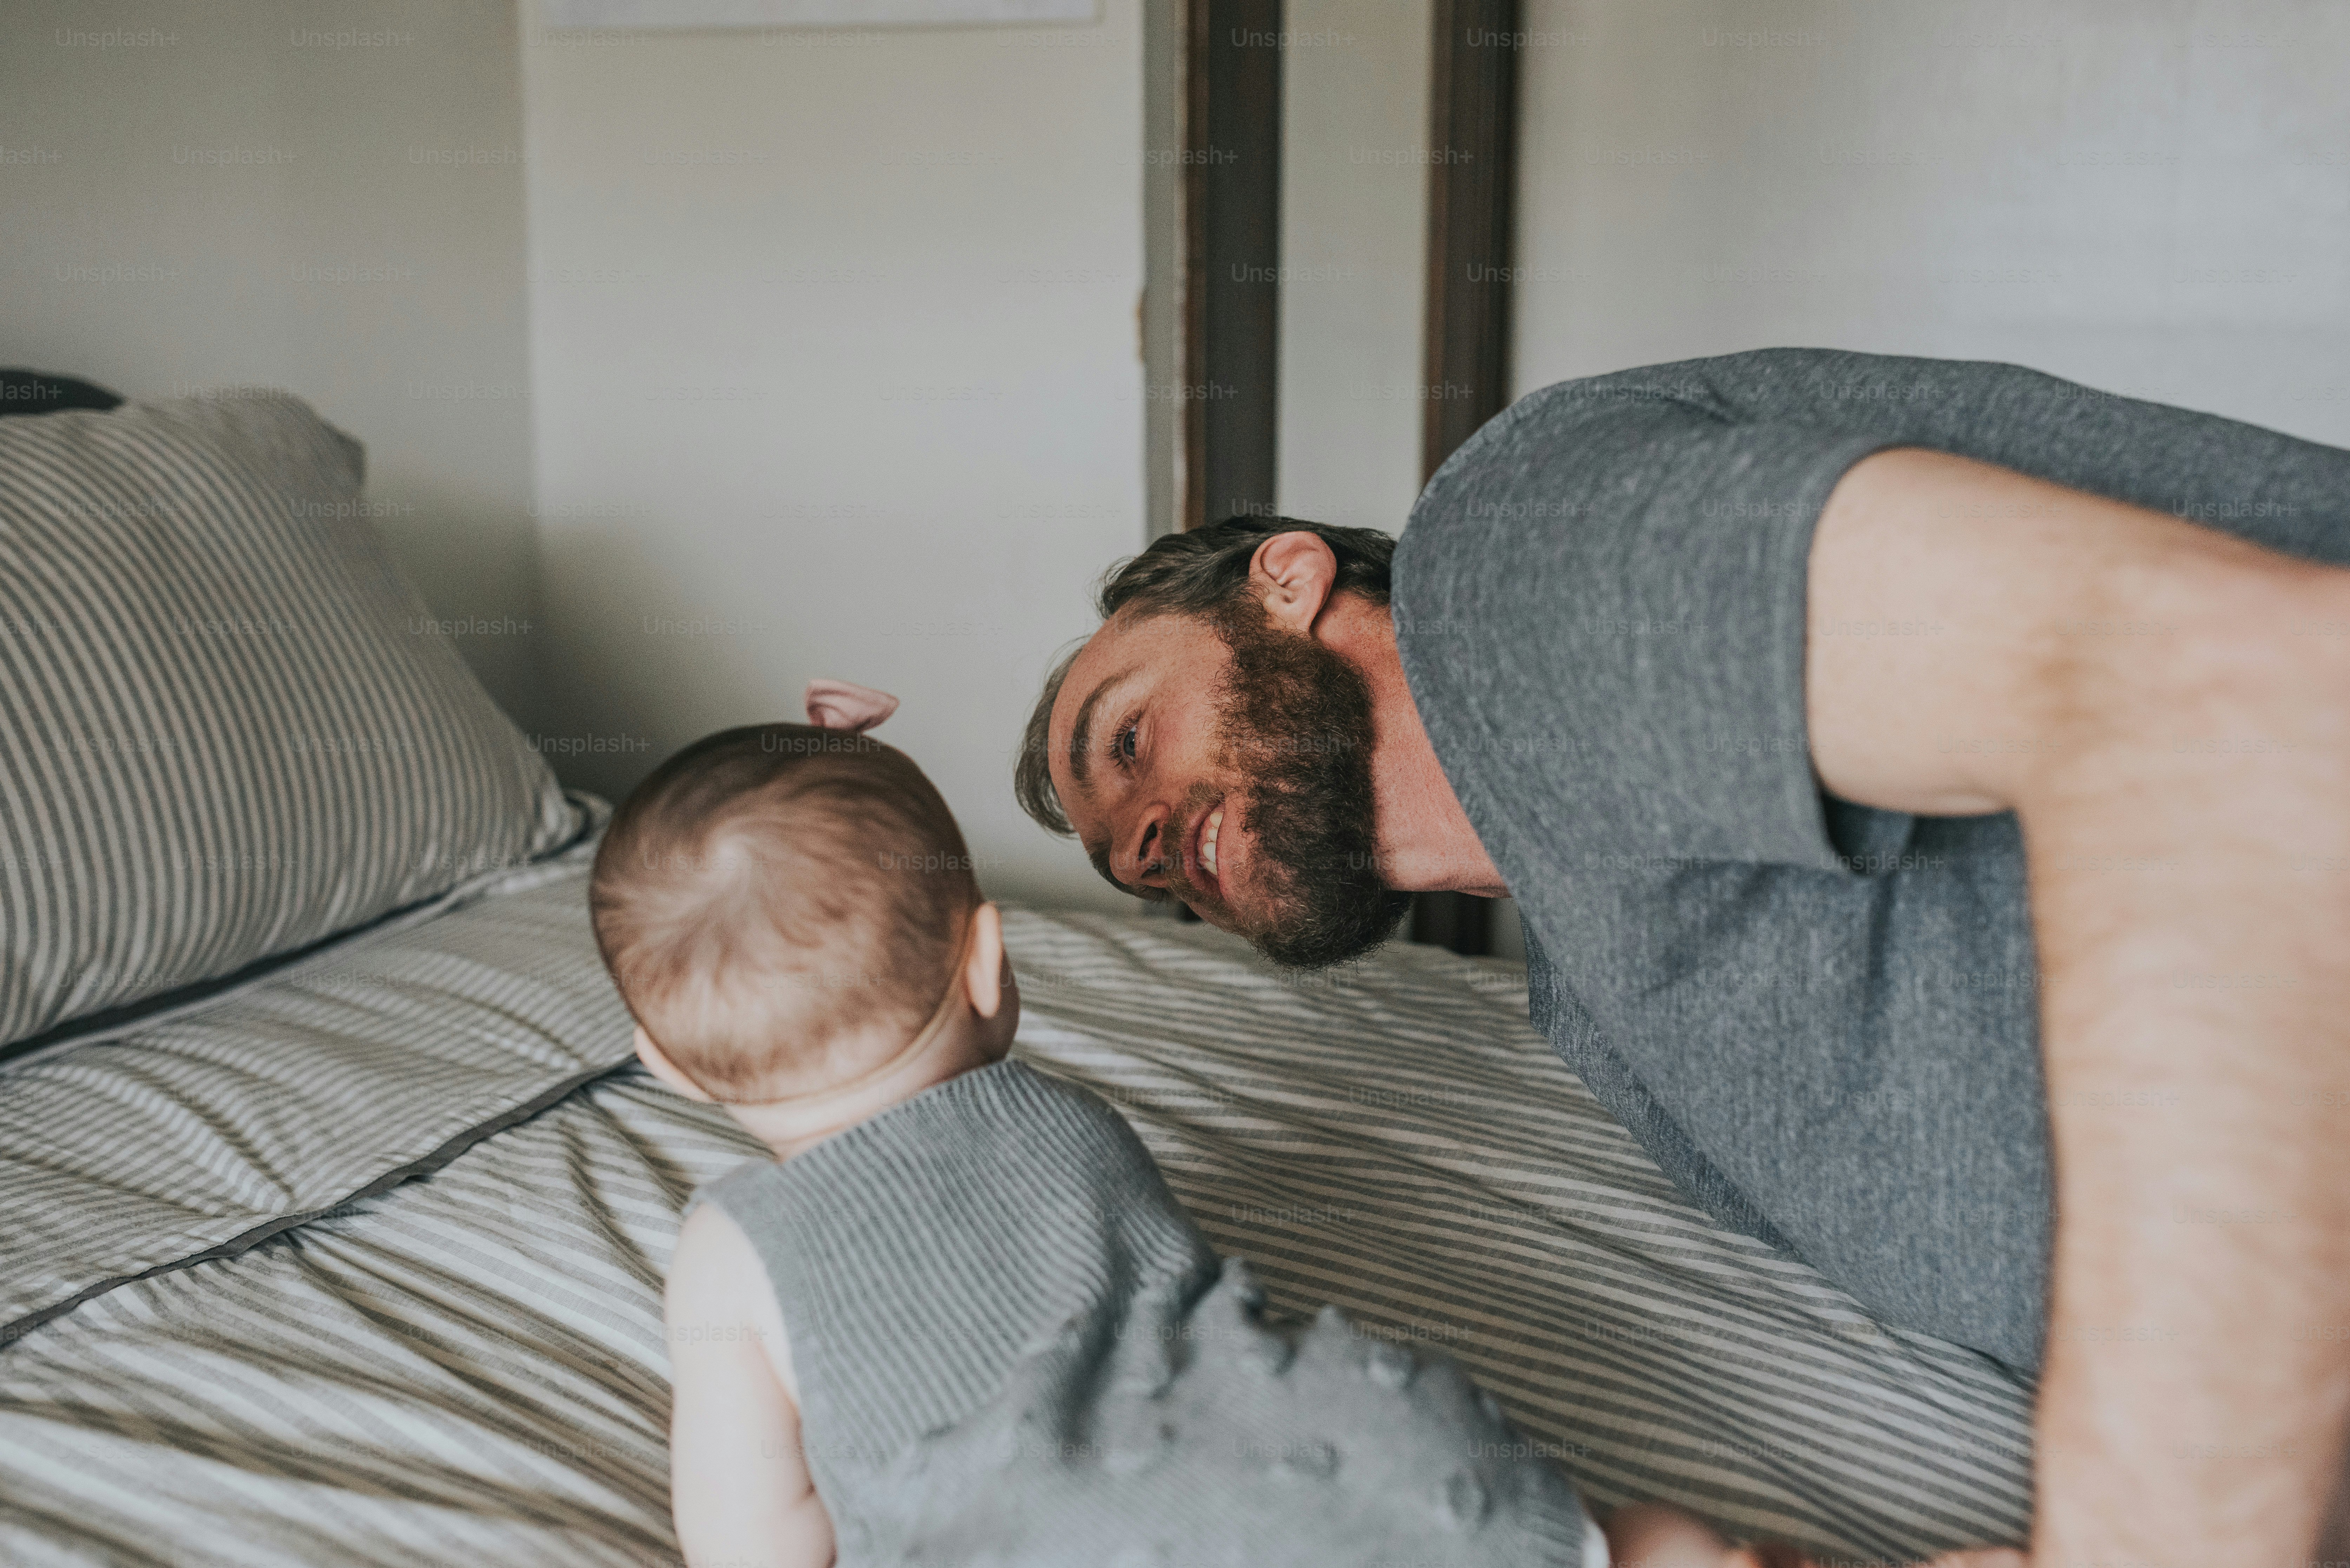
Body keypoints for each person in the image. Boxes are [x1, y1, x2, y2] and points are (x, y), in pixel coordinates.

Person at [1015, 347, 2350, 1568]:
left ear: (1289, 581)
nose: (1146, 842)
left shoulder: (1503, 563)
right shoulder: (1596, 1013)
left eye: (1129, 741)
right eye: (1130, 862)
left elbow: (2216, 687)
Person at [591, 681, 1625, 1567]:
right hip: (1355, 1441)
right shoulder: (1072, 1117)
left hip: (1052, 1538)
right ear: (990, 963)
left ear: (671, 1068)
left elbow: (754, 1543)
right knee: (1603, 1536)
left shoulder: (729, 1247)